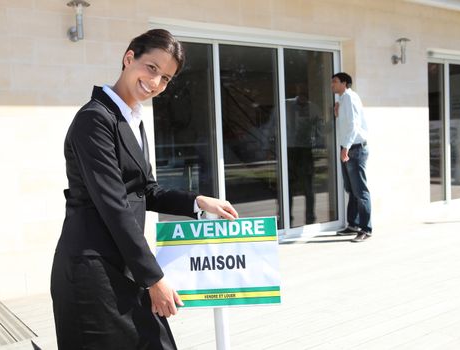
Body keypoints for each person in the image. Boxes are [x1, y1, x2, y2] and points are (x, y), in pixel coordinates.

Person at [50, 29, 239, 350]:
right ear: (128, 58)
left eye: (165, 78)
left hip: (123, 263)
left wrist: (198, 201)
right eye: (151, 68)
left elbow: (145, 190)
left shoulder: (132, 119)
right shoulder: (94, 120)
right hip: (92, 269)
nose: (155, 83)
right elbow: (113, 205)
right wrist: (154, 278)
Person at [331, 72, 372, 242]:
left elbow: (354, 125)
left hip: (354, 149)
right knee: (351, 189)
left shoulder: (349, 97)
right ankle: (353, 225)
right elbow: (347, 124)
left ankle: (365, 229)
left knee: (360, 191)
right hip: (349, 148)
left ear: (344, 83)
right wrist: (337, 114)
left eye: (335, 82)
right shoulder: (343, 99)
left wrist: (345, 148)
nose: (332, 85)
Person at [286, 84, 323, 226]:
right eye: (301, 91)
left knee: (308, 187)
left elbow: (321, 131)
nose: (303, 94)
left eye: (306, 92)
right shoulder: (287, 105)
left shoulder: (313, 108)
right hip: (290, 150)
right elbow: (273, 125)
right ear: (297, 91)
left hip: (306, 151)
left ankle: (310, 218)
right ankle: (286, 218)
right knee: (287, 186)